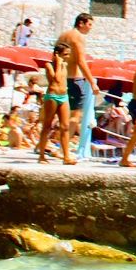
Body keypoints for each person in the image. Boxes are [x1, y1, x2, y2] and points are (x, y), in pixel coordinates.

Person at [54, 13, 95, 142]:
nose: (91, 28)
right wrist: (92, 82)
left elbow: (55, 58)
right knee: (75, 116)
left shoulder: (62, 36)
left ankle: (53, 144)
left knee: (61, 115)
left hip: (61, 78)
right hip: (75, 79)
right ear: (81, 23)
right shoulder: (78, 37)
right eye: (89, 24)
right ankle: (63, 146)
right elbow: (81, 61)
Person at [36, 41, 75, 165]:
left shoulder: (64, 65)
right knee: (47, 126)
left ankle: (66, 156)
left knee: (65, 126)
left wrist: (61, 64)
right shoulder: (49, 65)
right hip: (52, 96)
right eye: (65, 54)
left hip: (63, 96)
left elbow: (63, 81)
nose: (67, 57)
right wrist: (58, 63)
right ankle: (41, 156)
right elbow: (56, 79)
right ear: (57, 54)